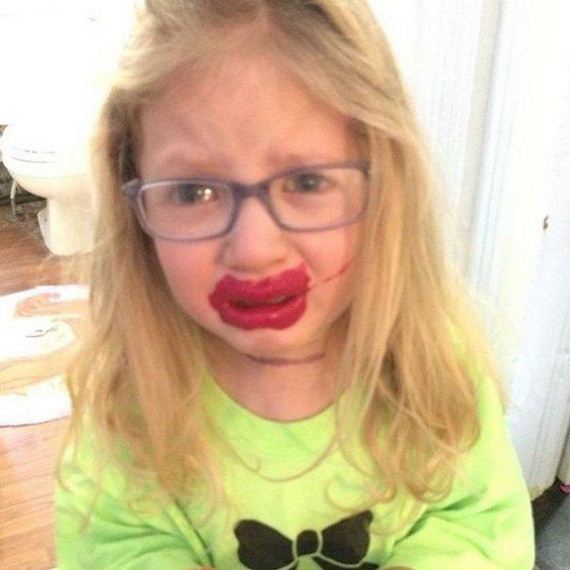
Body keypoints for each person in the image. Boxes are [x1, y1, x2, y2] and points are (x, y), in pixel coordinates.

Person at [55, 1, 535, 568]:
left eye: (307, 182)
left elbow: (476, 530)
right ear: (134, 210)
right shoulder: (130, 399)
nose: (254, 249)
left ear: (386, 190)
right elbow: (116, 549)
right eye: (192, 192)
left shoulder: (431, 362)